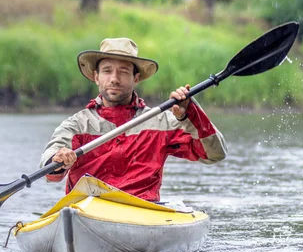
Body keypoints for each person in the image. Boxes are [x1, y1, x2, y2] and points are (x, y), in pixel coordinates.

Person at [40, 37, 227, 202]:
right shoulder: (77, 125)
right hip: (85, 212)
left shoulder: (162, 122)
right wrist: (57, 159)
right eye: (107, 71)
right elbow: (50, 172)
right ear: (96, 77)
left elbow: (215, 153)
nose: (114, 79)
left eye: (123, 71)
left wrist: (188, 113)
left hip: (141, 213)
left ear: (135, 78)